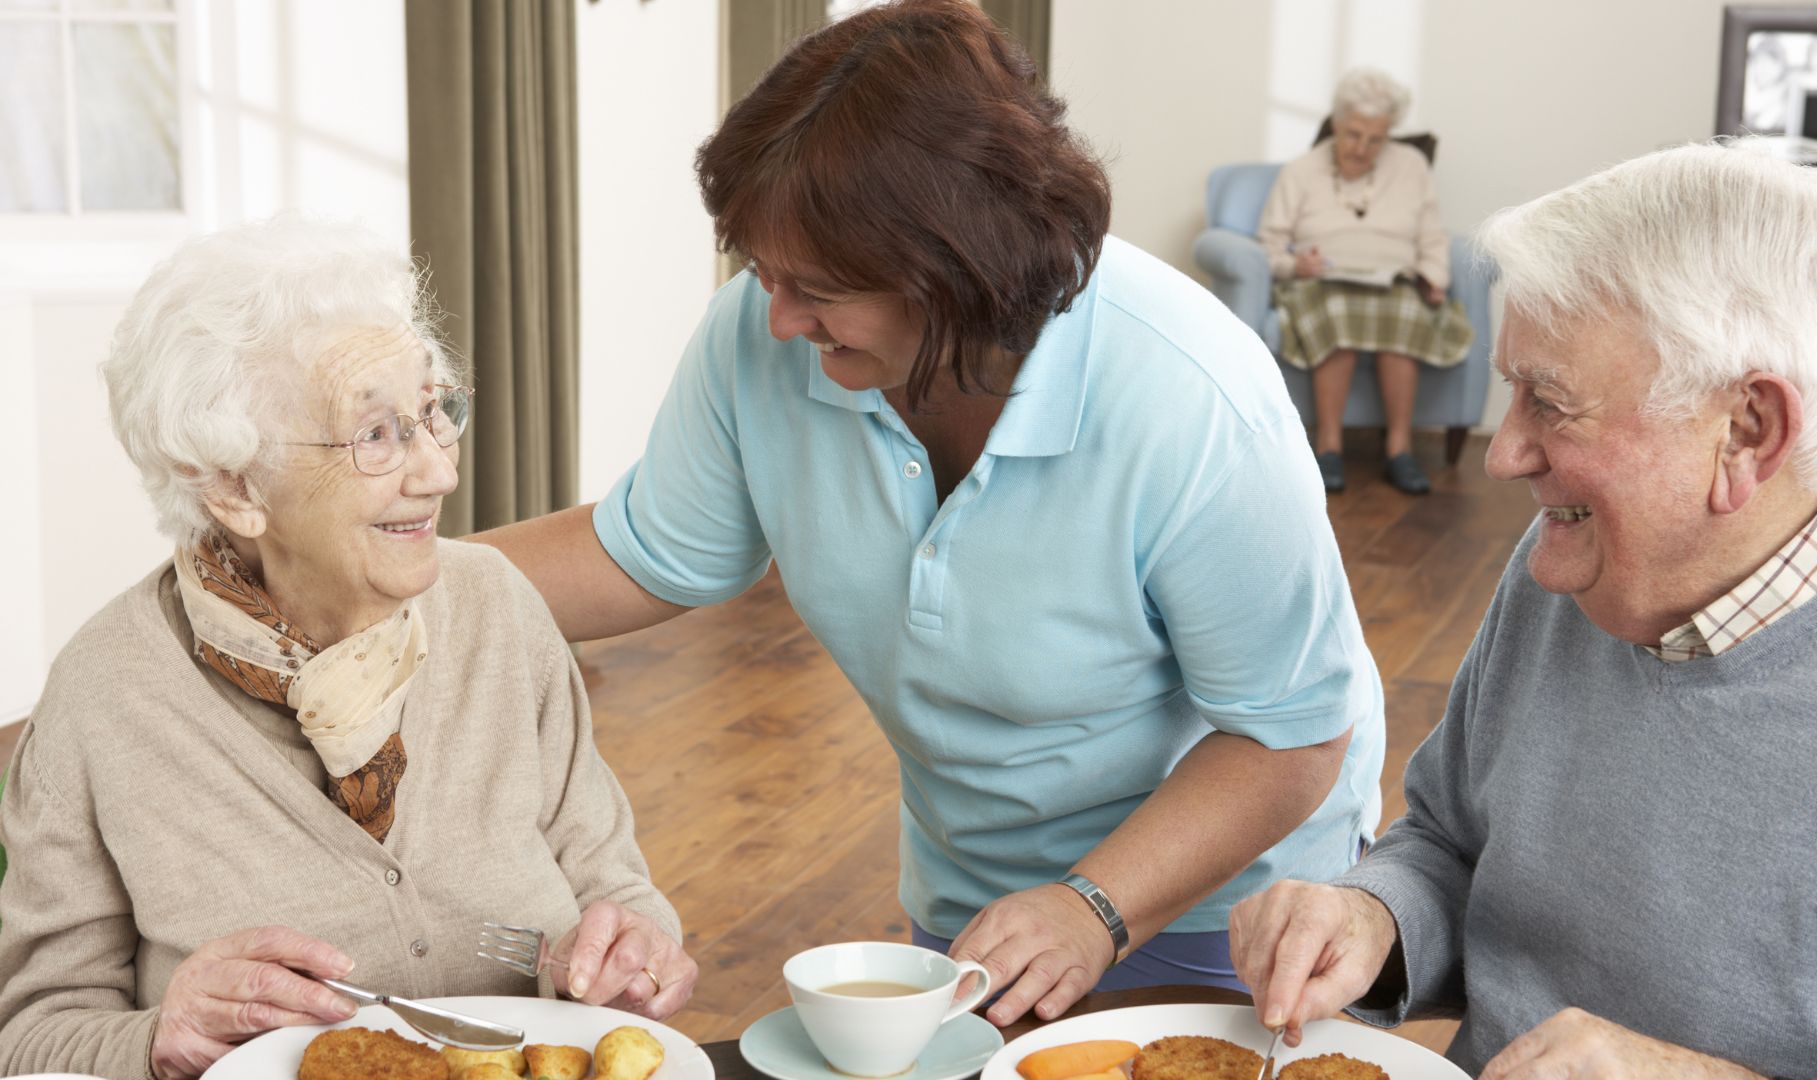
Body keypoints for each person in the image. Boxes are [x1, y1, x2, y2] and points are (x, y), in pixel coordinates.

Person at [479, 0, 1383, 1029]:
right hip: (978, 893)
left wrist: (1096, 906)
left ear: (960, 272)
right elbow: (642, 553)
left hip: (1228, 900)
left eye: (816, 287)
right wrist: (383, 579)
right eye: (764, 275)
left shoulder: (1192, 399)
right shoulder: (769, 337)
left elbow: (1291, 738)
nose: (777, 317)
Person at [1229, 143, 1817, 1077]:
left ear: (1747, 431)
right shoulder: (1579, 556)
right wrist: (1374, 915)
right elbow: (1447, 841)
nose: (1502, 454)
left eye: (1548, 404)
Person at [0, 217, 695, 1080]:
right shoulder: (102, 697)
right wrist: (156, 1039)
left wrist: (634, 947)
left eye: (434, 412)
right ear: (230, 483)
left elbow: (613, 884)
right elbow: (32, 1033)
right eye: (375, 434)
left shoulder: (497, 609)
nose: (438, 470)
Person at [1257, 68, 1473, 496]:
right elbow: (1269, 244)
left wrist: (1434, 277)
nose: (1362, 148)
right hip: (1321, 282)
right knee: (1336, 312)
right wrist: (1294, 266)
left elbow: (1432, 233)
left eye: (1376, 139)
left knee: (1406, 312)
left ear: (1389, 133)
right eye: (1353, 134)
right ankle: (1329, 447)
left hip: (1393, 280)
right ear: (1336, 124)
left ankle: (1399, 450)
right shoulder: (1300, 171)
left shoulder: (1410, 166)